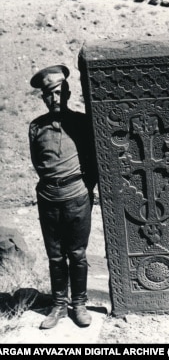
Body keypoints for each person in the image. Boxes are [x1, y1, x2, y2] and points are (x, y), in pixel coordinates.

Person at [29, 65, 97, 329]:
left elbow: (93, 161)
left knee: (77, 254)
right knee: (55, 256)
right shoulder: (36, 127)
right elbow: (38, 161)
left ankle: (79, 305)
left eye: (58, 92)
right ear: (44, 98)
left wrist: (83, 189)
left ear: (67, 92)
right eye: (49, 95)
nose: (54, 99)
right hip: (48, 198)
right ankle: (58, 305)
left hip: (77, 196)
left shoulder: (82, 123)